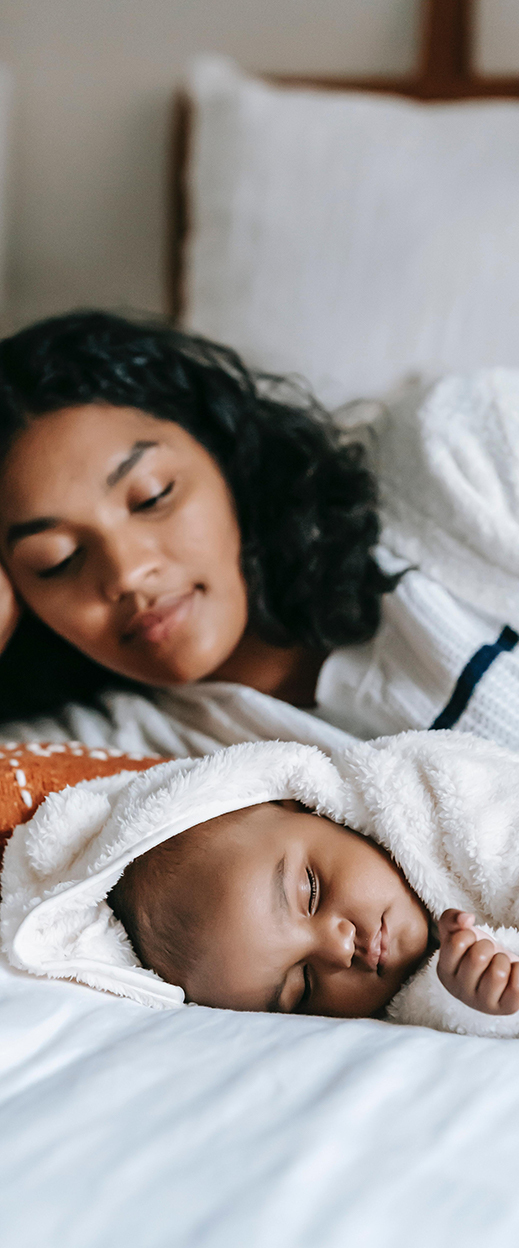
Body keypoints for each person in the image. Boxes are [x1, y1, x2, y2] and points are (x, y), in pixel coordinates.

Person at [1, 309, 519, 757]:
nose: (129, 571)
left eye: (153, 496)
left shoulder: (458, 450)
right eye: (56, 560)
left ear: (220, 446)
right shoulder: (106, 746)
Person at [3, 731, 519, 1037]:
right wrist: (479, 1000)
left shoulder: (430, 792)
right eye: (302, 988)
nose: (339, 950)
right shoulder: (408, 1004)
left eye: (311, 892)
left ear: (307, 805)